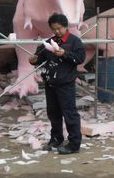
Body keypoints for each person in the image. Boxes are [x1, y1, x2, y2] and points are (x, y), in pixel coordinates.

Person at [29, 13, 86, 154]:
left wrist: (65, 53)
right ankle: (56, 139)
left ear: (65, 26)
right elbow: (39, 57)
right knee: (53, 113)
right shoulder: (49, 42)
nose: (56, 31)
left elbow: (80, 58)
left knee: (69, 114)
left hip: (66, 83)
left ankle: (74, 144)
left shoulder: (74, 41)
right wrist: (33, 59)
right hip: (50, 83)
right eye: (53, 29)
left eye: (59, 28)